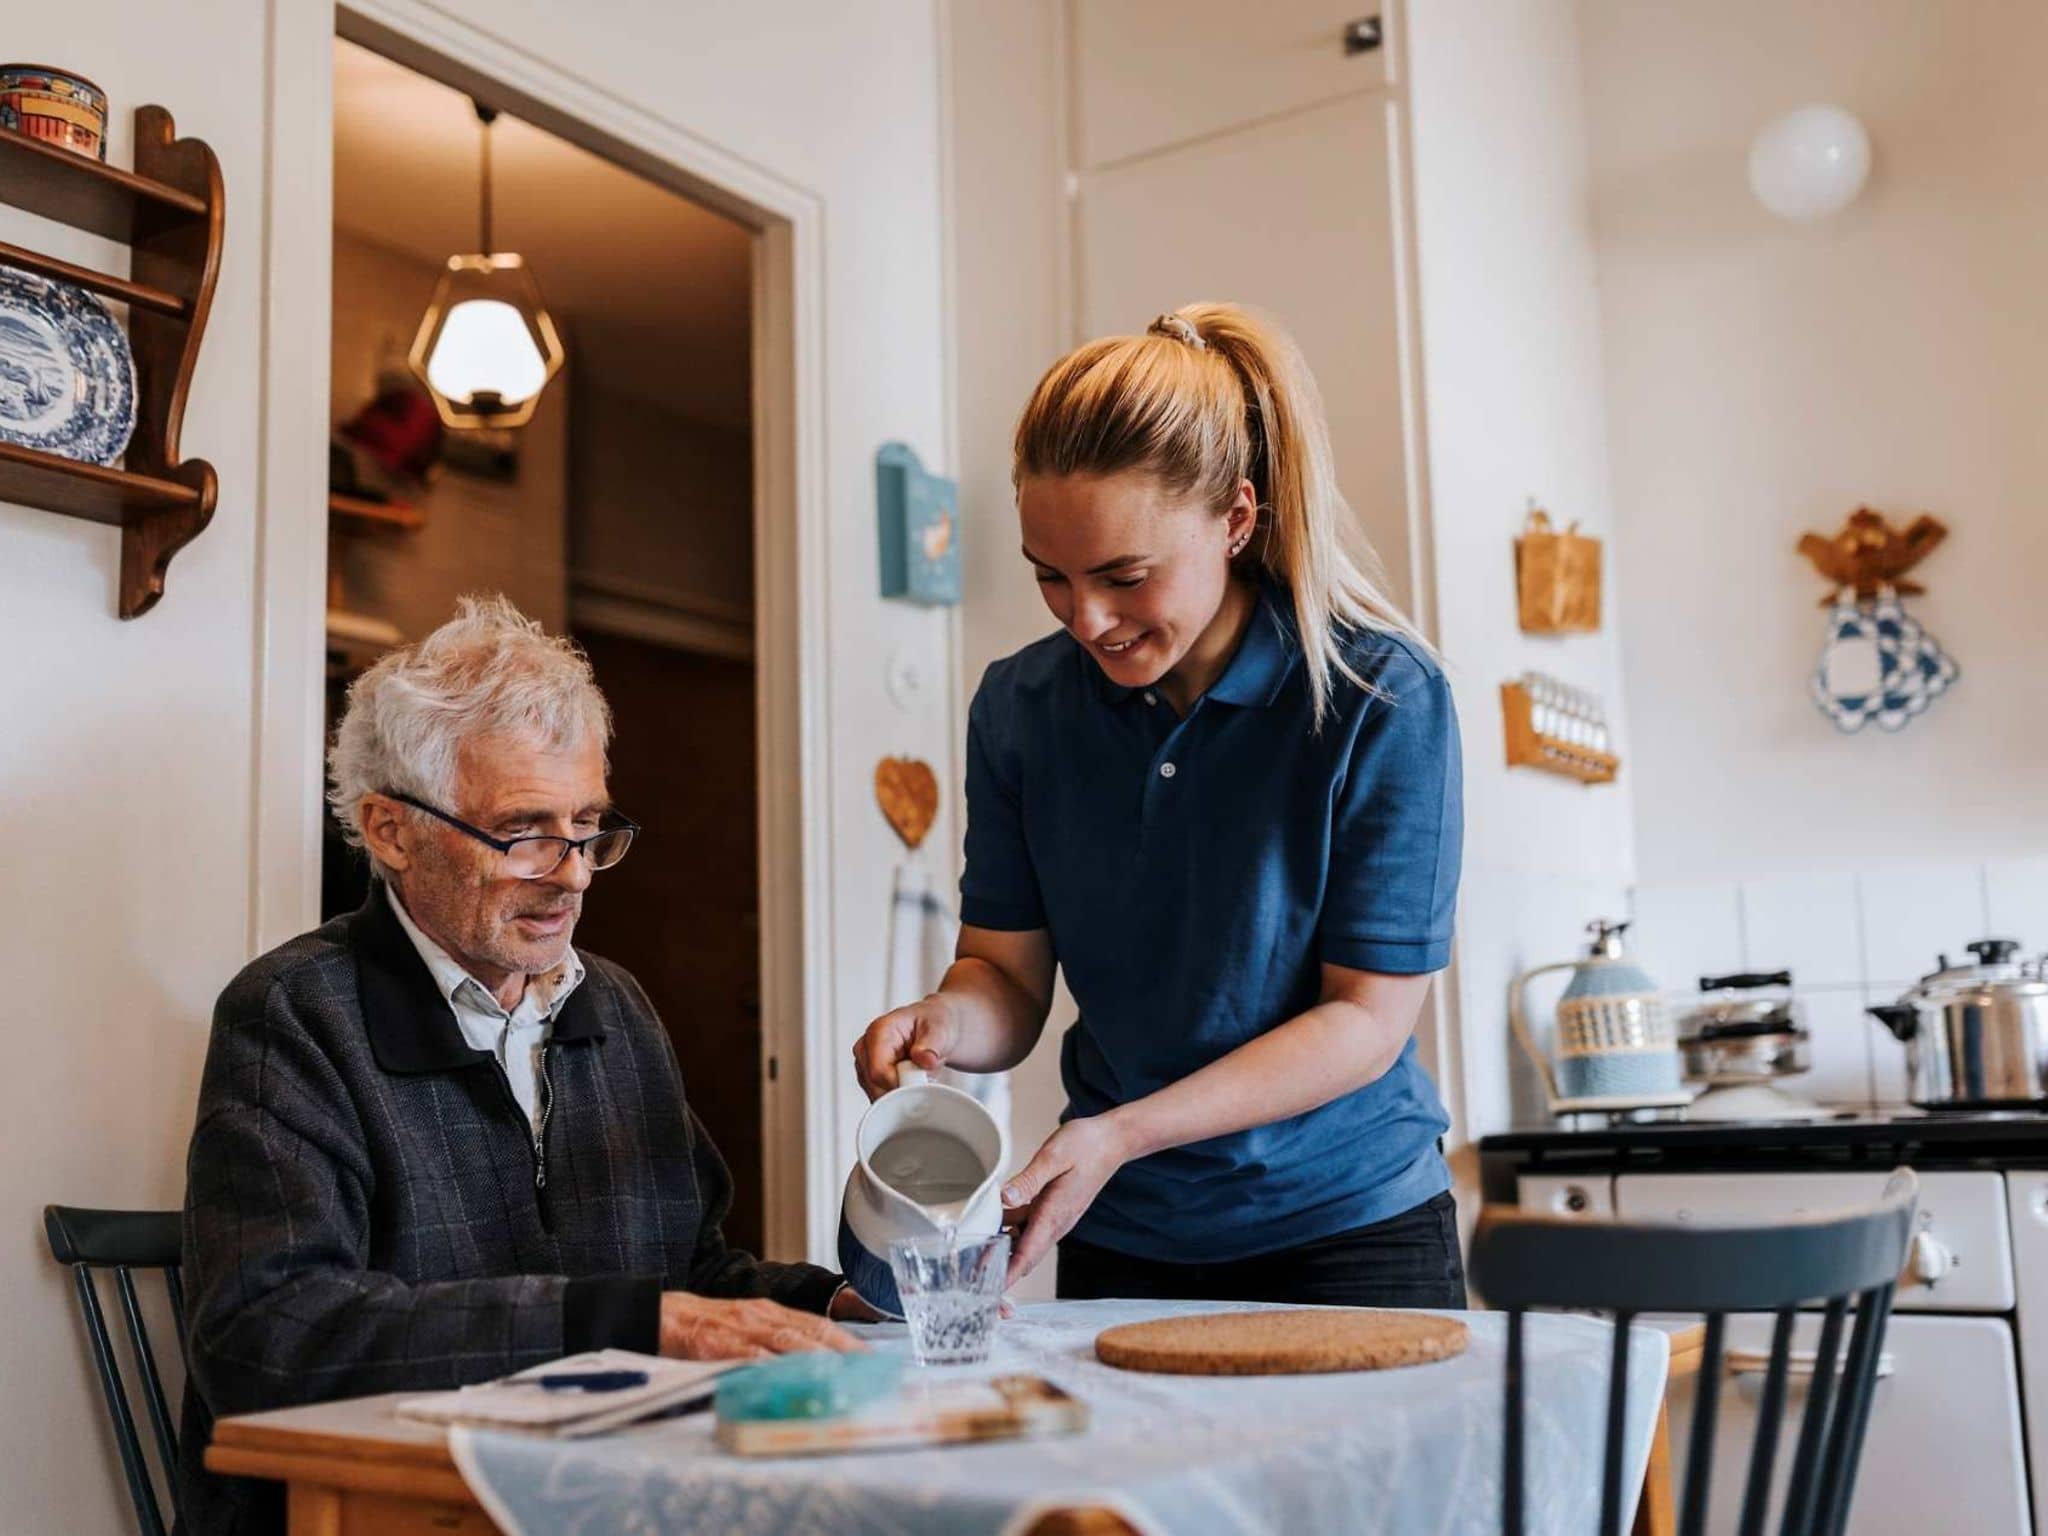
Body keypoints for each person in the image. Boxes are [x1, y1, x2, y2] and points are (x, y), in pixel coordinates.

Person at [180, 596, 867, 1535]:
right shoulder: (294, 1014)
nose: (574, 873)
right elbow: (267, 1334)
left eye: (587, 825)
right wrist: (626, 1323)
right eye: (525, 831)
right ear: (390, 831)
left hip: (592, 1501)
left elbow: (690, 1274)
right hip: (378, 1510)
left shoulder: (614, 1007)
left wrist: (837, 1304)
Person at [855, 304, 1465, 1308]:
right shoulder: (1019, 709)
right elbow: (1005, 976)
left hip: (1347, 1226)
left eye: (1124, 577)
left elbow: (1365, 1019)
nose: (1088, 619)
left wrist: (1123, 1133)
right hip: (1124, 1229)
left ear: (1236, 519)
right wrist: (943, 1020)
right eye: (1050, 578)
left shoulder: (1380, 696)